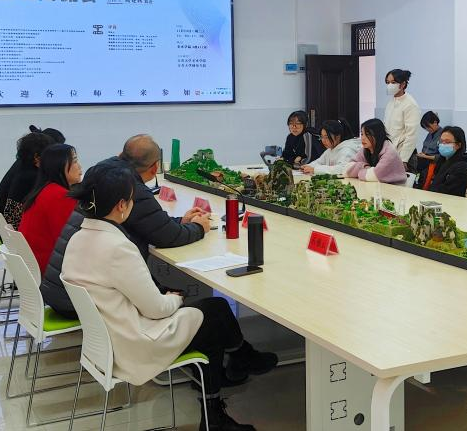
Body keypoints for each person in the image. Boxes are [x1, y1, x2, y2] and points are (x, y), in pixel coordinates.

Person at [56, 165, 276, 431]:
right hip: (134, 344)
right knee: (214, 317)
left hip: (106, 341)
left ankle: (239, 362)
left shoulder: (78, 239)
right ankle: (220, 404)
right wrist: (176, 298)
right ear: (122, 205)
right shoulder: (118, 248)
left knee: (213, 311)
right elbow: (158, 309)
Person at [41, 135, 213, 318]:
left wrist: (180, 221)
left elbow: (148, 222)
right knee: (211, 309)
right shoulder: (126, 189)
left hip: (60, 294)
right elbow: (167, 236)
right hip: (84, 307)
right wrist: (198, 227)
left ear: (121, 154)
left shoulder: (101, 174)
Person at [18, 144, 82, 272]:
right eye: (75, 161)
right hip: (51, 269)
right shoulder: (60, 196)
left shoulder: (44, 190)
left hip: (33, 266)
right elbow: (71, 242)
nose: (80, 166)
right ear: (59, 166)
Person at [0, 131, 56, 229]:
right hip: (16, 232)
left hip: (5, 229)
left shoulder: (21, 166)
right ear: (37, 157)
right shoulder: (32, 176)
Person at [346, 119, 409, 184]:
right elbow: (347, 169)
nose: (363, 138)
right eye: (362, 134)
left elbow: (374, 176)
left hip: (396, 188)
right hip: (378, 187)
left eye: (367, 134)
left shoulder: (389, 152)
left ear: (378, 135)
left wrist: (358, 172)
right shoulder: (366, 149)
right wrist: (365, 167)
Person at [383, 69, 421, 168]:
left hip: (405, 157)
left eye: (393, 82)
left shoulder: (410, 104)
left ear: (403, 84)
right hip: (390, 153)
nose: (389, 85)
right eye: (387, 82)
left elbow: (411, 135)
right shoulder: (391, 102)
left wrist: (404, 159)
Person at [426, 127, 467, 197]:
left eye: (447, 142)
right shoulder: (441, 161)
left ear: (458, 145)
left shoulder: (462, 166)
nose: (443, 144)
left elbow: (449, 191)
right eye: (441, 141)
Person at [415, 111, 444, 183]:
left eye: (428, 127)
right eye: (425, 128)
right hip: (424, 161)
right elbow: (425, 148)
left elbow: (441, 157)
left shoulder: (443, 135)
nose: (427, 129)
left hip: (433, 164)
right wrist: (422, 155)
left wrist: (426, 156)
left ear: (435, 122)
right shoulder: (430, 134)